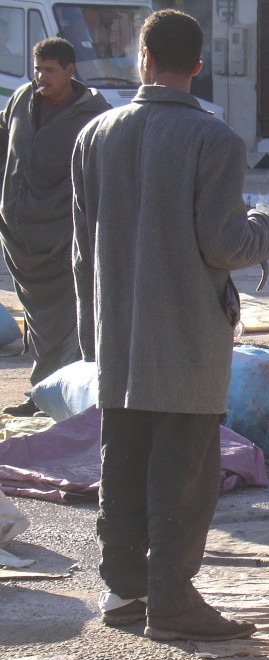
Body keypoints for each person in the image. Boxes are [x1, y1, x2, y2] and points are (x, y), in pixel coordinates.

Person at [71, 9, 269, 641]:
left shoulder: (95, 134)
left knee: (124, 461)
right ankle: (171, 602)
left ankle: (124, 593)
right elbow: (223, 244)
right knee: (184, 473)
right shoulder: (214, 140)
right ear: (197, 65)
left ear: (143, 58)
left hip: (120, 335)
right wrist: (263, 233)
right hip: (187, 335)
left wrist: (94, 335)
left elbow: (82, 248)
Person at [0, 38, 110, 416]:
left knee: (65, 320)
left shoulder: (94, 116)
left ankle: (50, 395)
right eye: (37, 69)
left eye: (49, 70)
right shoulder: (20, 102)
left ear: (69, 71)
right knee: (36, 319)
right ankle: (46, 392)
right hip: (18, 237)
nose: (40, 78)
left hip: (64, 238)